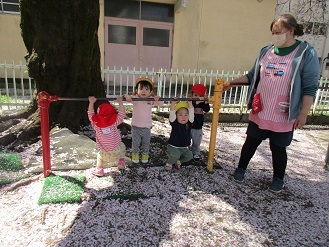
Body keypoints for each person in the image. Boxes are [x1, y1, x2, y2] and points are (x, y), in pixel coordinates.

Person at [229, 14, 320, 192]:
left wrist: (303, 113)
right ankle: (241, 169)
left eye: (278, 31)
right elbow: (251, 76)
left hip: (284, 112)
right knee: (251, 141)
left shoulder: (305, 53)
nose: (274, 35)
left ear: (291, 31)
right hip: (261, 108)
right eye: (273, 32)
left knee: (278, 147)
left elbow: (310, 87)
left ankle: (278, 178)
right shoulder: (266, 51)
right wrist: (229, 84)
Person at [124, 78, 164, 164]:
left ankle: (145, 155)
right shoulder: (135, 98)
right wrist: (127, 96)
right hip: (136, 127)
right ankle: (135, 154)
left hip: (147, 127)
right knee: (135, 143)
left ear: (150, 91)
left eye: (146, 89)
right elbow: (128, 98)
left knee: (146, 143)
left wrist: (158, 99)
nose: (143, 91)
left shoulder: (151, 99)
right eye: (141, 88)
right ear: (136, 90)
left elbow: (160, 104)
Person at [88, 96, 127, 176]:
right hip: (117, 152)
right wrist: (120, 102)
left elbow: (90, 114)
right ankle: (121, 162)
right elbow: (122, 114)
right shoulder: (114, 123)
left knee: (99, 156)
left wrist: (91, 102)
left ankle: (99, 169)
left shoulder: (96, 125)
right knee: (122, 146)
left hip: (104, 154)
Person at [164, 101, 194, 171]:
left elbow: (191, 113)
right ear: (176, 116)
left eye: (186, 115)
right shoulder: (175, 123)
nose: (183, 117)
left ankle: (179, 161)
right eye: (180, 115)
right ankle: (169, 163)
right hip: (173, 146)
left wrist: (190, 103)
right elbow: (172, 112)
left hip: (184, 148)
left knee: (190, 156)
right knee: (175, 154)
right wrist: (173, 103)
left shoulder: (189, 123)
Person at [190, 84, 210, 161]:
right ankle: (185, 152)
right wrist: (196, 103)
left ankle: (195, 153)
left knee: (196, 141)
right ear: (191, 95)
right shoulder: (190, 101)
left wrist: (205, 101)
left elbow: (207, 109)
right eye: (195, 95)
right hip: (189, 125)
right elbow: (191, 106)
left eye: (199, 95)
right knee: (186, 140)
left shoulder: (202, 103)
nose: (197, 97)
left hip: (198, 126)